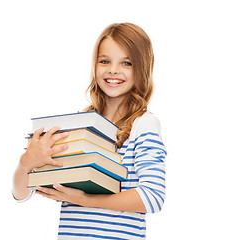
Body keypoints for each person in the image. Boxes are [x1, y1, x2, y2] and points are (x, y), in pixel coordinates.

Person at [12, 22, 167, 239]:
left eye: (126, 63)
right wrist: (26, 163)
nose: (113, 69)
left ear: (143, 68)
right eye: (105, 61)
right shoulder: (79, 125)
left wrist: (85, 200)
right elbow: (21, 194)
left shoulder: (143, 124)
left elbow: (153, 197)